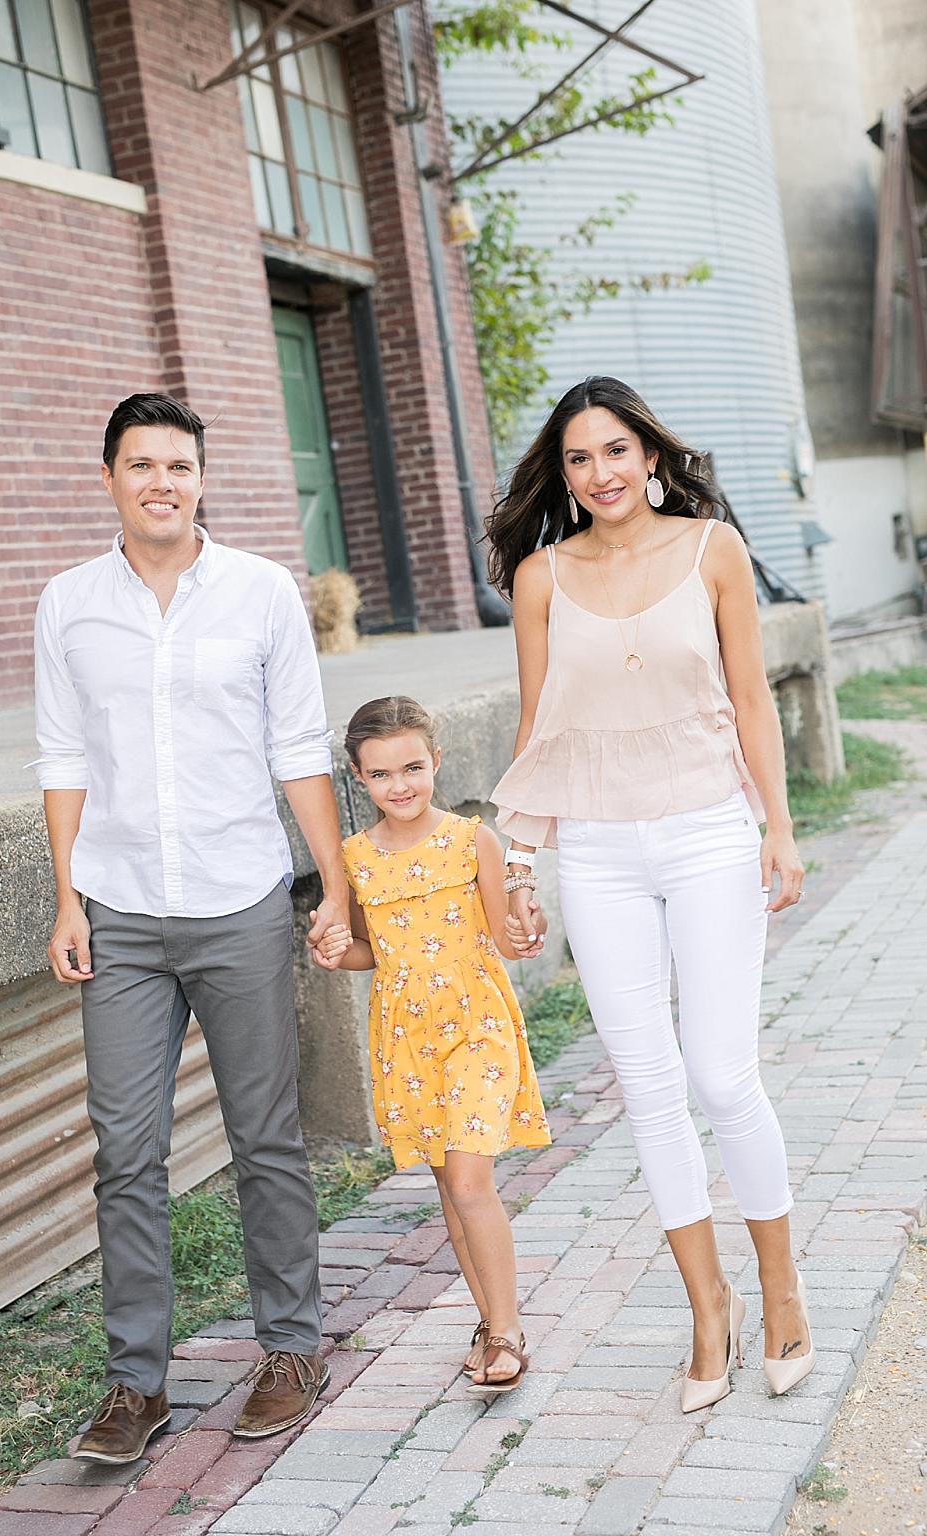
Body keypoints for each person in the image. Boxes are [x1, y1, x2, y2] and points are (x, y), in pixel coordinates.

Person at [485, 375, 815, 1411]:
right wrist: (519, 862)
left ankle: (780, 1285)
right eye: (578, 459)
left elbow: (749, 694)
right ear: (563, 473)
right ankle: (706, 1308)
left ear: (649, 454)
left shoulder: (709, 547)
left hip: (707, 832)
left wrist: (779, 824)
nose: (599, 474)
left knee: (719, 1076)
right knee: (647, 1085)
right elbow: (539, 730)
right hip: (593, 850)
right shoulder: (539, 576)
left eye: (614, 451)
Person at [33, 392, 348, 1464]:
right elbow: (61, 757)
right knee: (124, 1151)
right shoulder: (68, 602)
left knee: (264, 1140)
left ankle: (291, 1350)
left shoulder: (262, 592)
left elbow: (299, 748)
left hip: (239, 901)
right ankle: (136, 1386)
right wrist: (65, 897)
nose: (159, 481)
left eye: (177, 464)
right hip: (117, 910)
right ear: (108, 478)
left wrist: (335, 893)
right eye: (139, 465)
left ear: (200, 478)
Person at [315, 696, 552, 1394]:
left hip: (475, 1023)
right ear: (360, 779)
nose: (402, 785)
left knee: (473, 1179)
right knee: (451, 1183)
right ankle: (488, 1322)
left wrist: (524, 918)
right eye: (382, 773)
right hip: (406, 1038)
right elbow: (370, 952)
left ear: (435, 761)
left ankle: (508, 1331)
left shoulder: (468, 838)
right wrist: (337, 949)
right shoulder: (356, 858)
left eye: (413, 766)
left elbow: (506, 937)